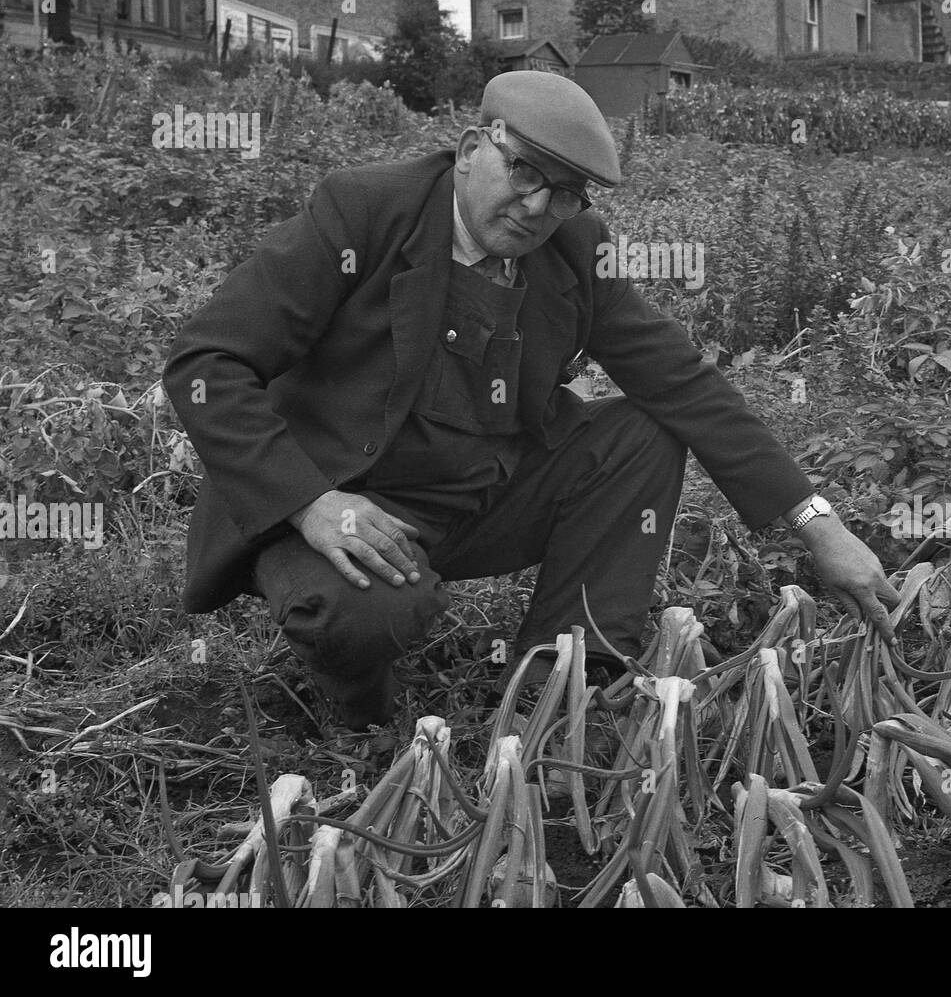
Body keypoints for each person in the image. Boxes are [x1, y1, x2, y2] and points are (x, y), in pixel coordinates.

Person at [164, 72, 899, 728]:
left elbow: (682, 381)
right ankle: (357, 710)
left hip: (475, 496)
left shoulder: (575, 248)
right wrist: (309, 502)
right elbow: (207, 361)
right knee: (365, 615)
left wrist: (817, 523)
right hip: (341, 501)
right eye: (524, 171)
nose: (537, 206)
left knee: (643, 429)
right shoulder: (363, 211)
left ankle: (561, 681)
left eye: (566, 192)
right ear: (468, 149)